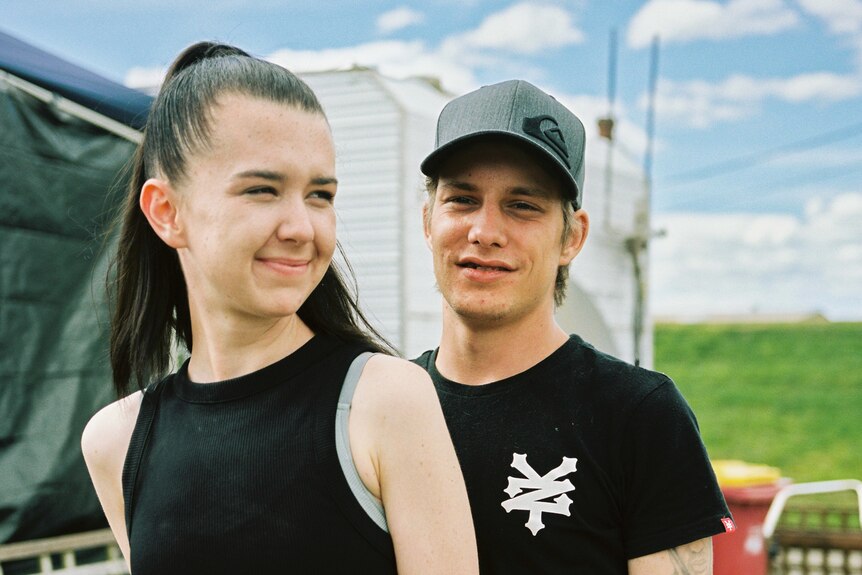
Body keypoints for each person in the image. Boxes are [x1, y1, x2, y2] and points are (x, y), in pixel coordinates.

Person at [81, 42, 478, 575]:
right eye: (263, 190)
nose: (301, 228)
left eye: (320, 195)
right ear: (167, 212)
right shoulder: (116, 443)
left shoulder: (384, 401)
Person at [414, 79, 734, 574]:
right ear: (428, 221)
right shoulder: (387, 404)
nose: (485, 232)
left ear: (572, 237)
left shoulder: (639, 416)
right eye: (462, 199)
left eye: (523, 206)